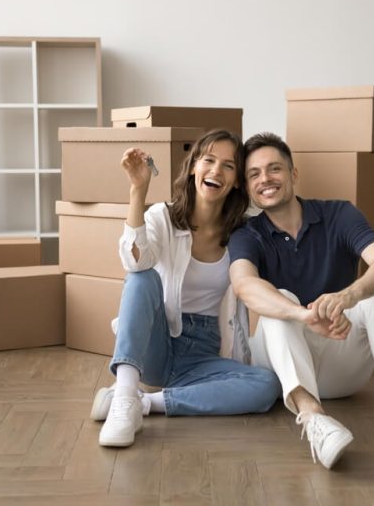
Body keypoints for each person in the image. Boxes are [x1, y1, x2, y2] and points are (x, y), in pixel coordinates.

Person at [228, 132, 374, 469]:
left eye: (274, 169)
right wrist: (302, 314)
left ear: (293, 174)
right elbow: (244, 285)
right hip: (283, 365)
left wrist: (348, 296)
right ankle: (315, 422)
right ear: (247, 186)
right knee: (278, 301)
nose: (265, 179)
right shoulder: (246, 234)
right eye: (254, 174)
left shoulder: (338, 214)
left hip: (342, 363)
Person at [94, 128, 281, 448]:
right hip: (158, 342)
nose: (215, 171)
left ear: (237, 180)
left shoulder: (244, 232)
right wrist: (138, 190)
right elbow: (134, 261)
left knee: (265, 386)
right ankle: (124, 394)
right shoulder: (162, 217)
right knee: (142, 276)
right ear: (193, 166)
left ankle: (146, 403)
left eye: (228, 165)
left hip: (203, 352)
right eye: (208, 160)